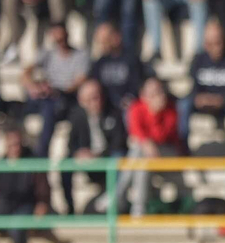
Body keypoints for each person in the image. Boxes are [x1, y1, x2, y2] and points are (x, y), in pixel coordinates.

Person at [58, 78, 126, 214]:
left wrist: (98, 156)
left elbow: (119, 144)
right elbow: (71, 145)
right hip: (87, 160)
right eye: (90, 98)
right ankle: (70, 208)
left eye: (97, 96)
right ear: (82, 100)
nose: (96, 101)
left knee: (118, 157)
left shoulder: (113, 112)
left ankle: (113, 200)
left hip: (107, 158)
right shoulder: (77, 116)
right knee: (64, 164)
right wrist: (79, 154)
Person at [181, 20, 225, 140]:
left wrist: (222, 98)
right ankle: (182, 147)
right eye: (210, 44)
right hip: (205, 101)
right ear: (205, 44)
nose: (215, 48)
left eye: (218, 42)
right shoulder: (198, 59)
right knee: (183, 104)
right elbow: (194, 88)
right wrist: (201, 98)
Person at [122, 75, 181, 215]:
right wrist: (147, 144)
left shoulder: (171, 110)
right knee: (141, 156)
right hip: (146, 154)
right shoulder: (136, 107)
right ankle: (139, 208)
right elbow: (135, 130)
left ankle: (118, 196)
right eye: (152, 93)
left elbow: (162, 136)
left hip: (168, 152)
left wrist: (155, 114)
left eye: (159, 91)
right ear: (143, 95)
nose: (157, 96)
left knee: (139, 151)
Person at [28, 23, 91, 151]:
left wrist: (58, 91)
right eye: (57, 39)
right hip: (48, 97)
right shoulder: (47, 54)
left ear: (67, 35)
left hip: (67, 98)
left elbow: (80, 81)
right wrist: (34, 87)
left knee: (50, 110)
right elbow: (25, 72)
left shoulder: (80, 55)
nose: (60, 42)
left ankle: (42, 155)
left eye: (61, 38)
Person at [0, 118, 47, 243]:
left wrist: (42, 203)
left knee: (17, 228)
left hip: (26, 204)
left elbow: (42, 187)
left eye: (17, 143)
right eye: (11, 144)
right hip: (5, 204)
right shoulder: (0, 164)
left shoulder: (32, 160)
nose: (15, 147)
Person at [88, 20, 145, 114]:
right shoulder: (99, 63)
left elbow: (137, 85)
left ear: (116, 38)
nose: (101, 46)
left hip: (126, 106)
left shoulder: (131, 60)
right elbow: (94, 84)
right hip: (105, 106)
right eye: (100, 42)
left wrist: (128, 99)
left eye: (105, 41)